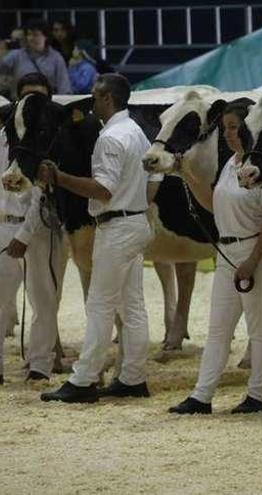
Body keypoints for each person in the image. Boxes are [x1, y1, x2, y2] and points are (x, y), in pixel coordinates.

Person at [40, 73, 158, 403]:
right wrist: (140, 200)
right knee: (132, 306)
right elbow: (156, 172)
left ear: (108, 99)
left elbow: (103, 190)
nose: (91, 101)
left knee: (100, 305)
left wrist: (59, 177)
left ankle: (83, 380)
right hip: (135, 222)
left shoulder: (110, 138)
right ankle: (133, 377)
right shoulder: (135, 131)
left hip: (116, 227)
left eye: (95, 96)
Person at [168, 102, 262, 415]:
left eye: (234, 127)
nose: (229, 134)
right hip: (226, 253)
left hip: (255, 253)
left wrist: (252, 261)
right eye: (226, 128)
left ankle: (258, 395)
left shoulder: (261, 168)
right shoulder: (231, 164)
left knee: (258, 327)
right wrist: (186, 175)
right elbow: (212, 204)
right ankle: (201, 396)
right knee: (218, 328)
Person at [0, 73, 66, 385]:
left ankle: (40, 364)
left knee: (44, 299)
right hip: (2, 225)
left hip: (39, 228)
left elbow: (42, 191)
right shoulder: (4, 134)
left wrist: (25, 235)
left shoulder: (50, 137)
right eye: (27, 96)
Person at [0, 19, 71, 97]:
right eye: (29, 34)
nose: (31, 38)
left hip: (47, 104)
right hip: (20, 102)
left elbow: (64, 87)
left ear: (45, 36)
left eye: (35, 35)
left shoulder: (56, 58)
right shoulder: (16, 55)